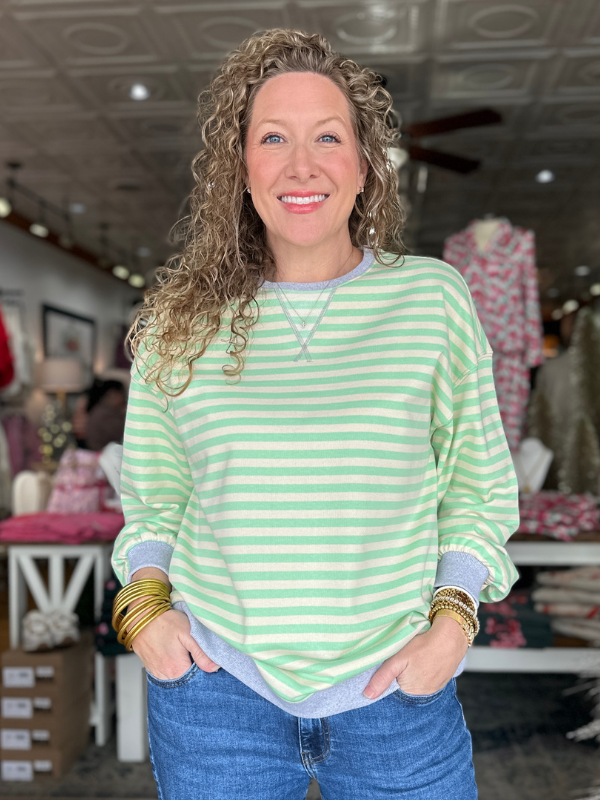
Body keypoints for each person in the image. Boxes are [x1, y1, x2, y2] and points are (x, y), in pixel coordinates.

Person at [110, 29, 520, 800]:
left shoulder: (431, 301)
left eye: (328, 137)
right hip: (215, 692)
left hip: (397, 692)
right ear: (242, 168)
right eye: (274, 138)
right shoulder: (178, 320)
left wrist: (452, 626)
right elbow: (155, 498)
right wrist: (146, 615)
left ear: (365, 167)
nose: (302, 165)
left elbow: (476, 487)